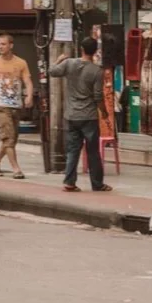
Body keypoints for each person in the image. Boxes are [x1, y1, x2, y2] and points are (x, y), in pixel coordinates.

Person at [51, 37, 112, 193]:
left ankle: (69, 182)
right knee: (92, 152)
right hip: (89, 117)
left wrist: (58, 60)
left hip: (71, 115)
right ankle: (97, 184)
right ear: (95, 51)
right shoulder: (97, 71)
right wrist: (104, 113)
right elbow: (98, 96)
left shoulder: (69, 64)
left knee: (73, 150)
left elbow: (52, 72)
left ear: (82, 49)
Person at [0, 34, 33, 178]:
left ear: (11, 45)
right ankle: (16, 169)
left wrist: (29, 95)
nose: (1, 47)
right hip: (1, 105)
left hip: (16, 105)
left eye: (3, 44)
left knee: (12, 138)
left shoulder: (21, 63)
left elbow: (27, 81)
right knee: (8, 138)